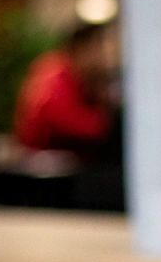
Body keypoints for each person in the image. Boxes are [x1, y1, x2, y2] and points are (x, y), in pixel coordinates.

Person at [14, 23, 120, 160]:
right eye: (98, 50)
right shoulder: (55, 73)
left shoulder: (81, 77)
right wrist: (106, 120)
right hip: (46, 167)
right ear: (81, 49)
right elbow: (67, 121)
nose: (103, 60)